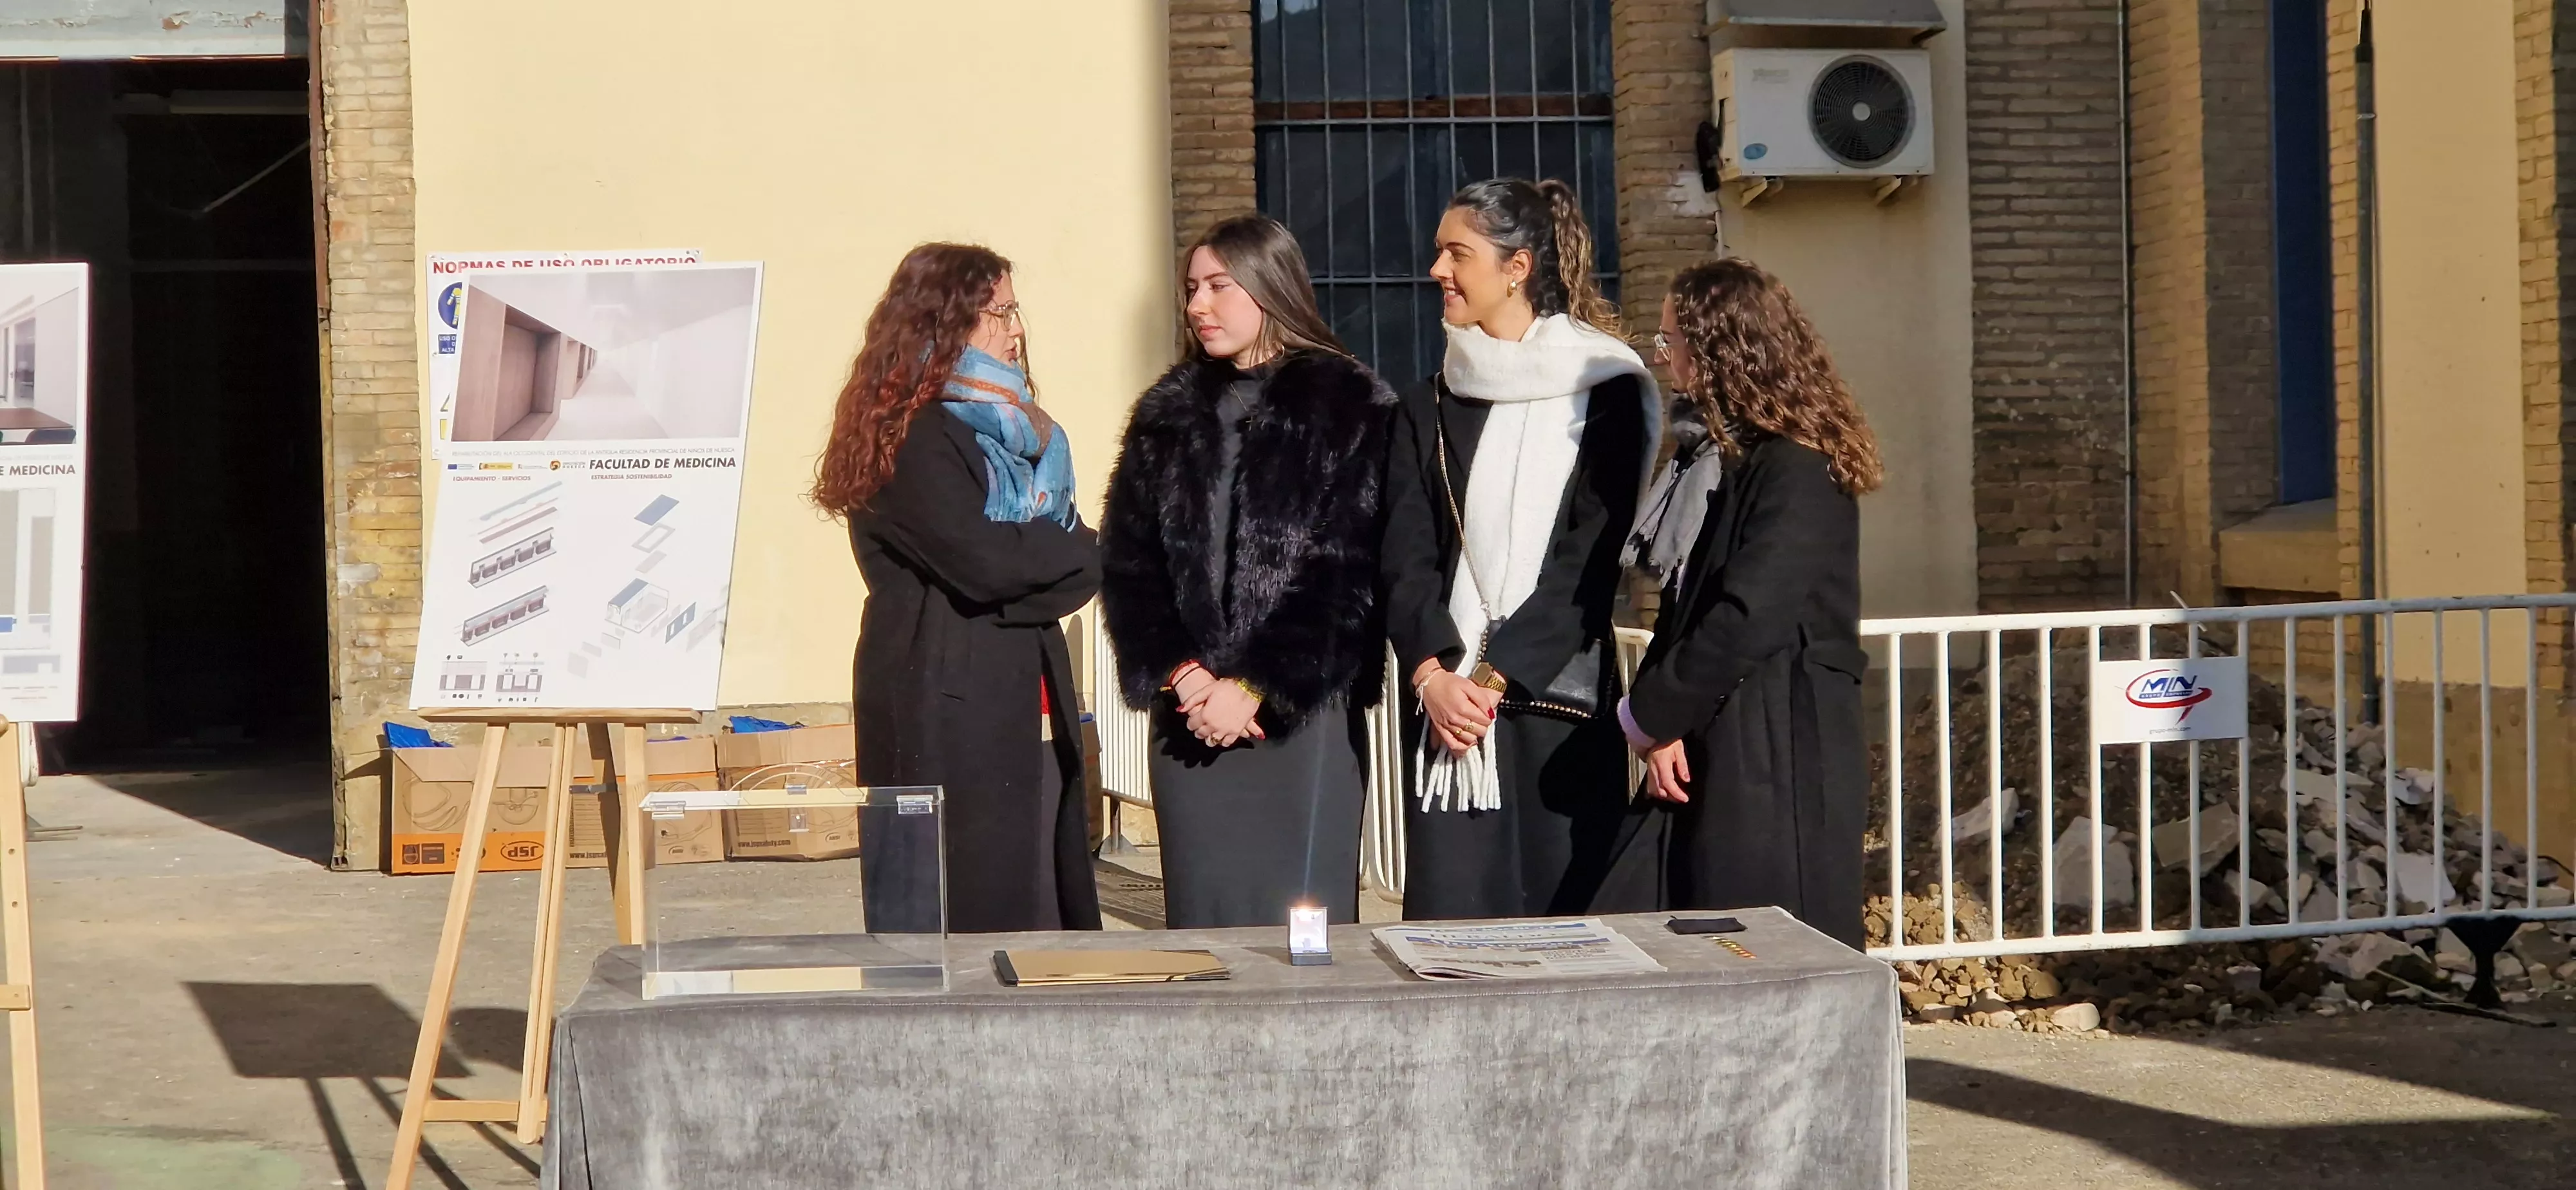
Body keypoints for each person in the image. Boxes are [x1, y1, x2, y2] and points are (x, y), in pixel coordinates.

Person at [1098, 214, 1396, 929]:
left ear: (1270, 287)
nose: (1197, 305)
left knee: (1301, 934)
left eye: (1218, 286)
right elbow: (1129, 563)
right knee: (1206, 932)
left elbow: (1348, 571)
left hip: (1301, 722)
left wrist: (1255, 684)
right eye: (1191, 288)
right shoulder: (1167, 415)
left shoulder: (1349, 405)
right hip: (1189, 720)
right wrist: (1184, 675)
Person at [1380, 178, 1658, 921]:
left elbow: (1590, 557)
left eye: (1456, 253)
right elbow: (1404, 555)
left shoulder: (1605, 390)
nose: (1436, 270)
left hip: (1553, 711)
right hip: (1447, 711)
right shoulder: (1424, 405)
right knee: (1453, 932)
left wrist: (1492, 678)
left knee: (1562, 928)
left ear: (1517, 268)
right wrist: (1433, 677)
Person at [1595, 258, 1882, 950]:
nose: (1662, 359)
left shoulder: (1799, 465)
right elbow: (1688, 602)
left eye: (1671, 340)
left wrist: (1651, 713)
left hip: (1779, 743)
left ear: (1721, 349)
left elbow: (1750, 614)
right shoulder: (1736, 458)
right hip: (1728, 733)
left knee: (1775, 947)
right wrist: (1663, 723)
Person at [815, 242, 1103, 934]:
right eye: (999, 313)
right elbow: (987, 565)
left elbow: (1046, 571)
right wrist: (1079, 549)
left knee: (1037, 905)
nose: (1016, 329)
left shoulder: (1015, 436)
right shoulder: (909, 436)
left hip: (1023, 695)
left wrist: (1060, 556)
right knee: (963, 913)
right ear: (945, 322)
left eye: (1015, 311)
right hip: (943, 705)